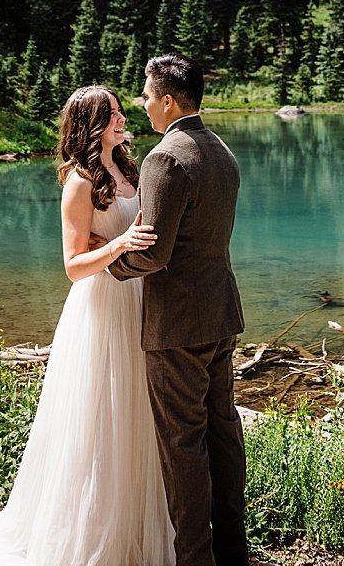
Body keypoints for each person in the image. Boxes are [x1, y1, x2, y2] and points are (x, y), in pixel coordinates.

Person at [0, 85, 172, 566]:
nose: (121, 118)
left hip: (139, 299)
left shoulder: (129, 168)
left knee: (137, 412)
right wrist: (121, 243)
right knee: (101, 419)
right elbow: (72, 265)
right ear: (90, 123)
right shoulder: (80, 181)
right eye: (110, 114)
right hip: (103, 305)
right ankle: (93, 537)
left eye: (119, 110)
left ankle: (137, 532)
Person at [110, 54, 249, 566]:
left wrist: (108, 265)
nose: (143, 106)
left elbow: (152, 252)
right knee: (222, 430)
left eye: (147, 97)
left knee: (182, 443)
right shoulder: (222, 151)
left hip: (177, 327)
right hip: (221, 314)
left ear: (168, 100)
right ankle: (234, 550)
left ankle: (194, 558)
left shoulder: (164, 159)